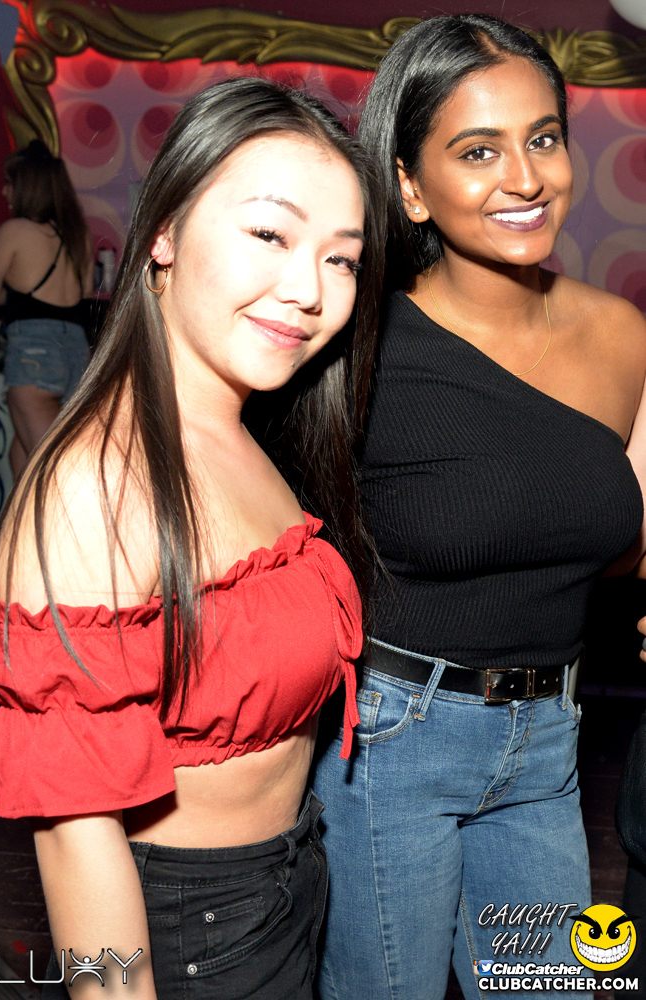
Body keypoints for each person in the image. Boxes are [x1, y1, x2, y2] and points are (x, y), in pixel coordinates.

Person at [0, 78, 382, 1000]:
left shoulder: (243, 427)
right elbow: (75, 834)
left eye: (342, 258)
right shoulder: (93, 485)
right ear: (162, 233)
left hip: (288, 887)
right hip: (184, 933)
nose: (309, 291)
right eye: (270, 234)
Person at [312, 14, 646, 1000]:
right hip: (389, 743)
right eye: (477, 150)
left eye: (542, 138)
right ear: (409, 184)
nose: (525, 177)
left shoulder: (620, 335)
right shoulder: (352, 343)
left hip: (548, 744)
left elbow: (624, 540)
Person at [0, 140, 93, 477]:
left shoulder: (14, 231)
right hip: (75, 351)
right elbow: (84, 290)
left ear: (26, 186)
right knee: (24, 456)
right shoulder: (78, 234)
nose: (4, 191)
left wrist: (16, 293)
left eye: (9, 183)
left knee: (53, 470)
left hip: (34, 352)